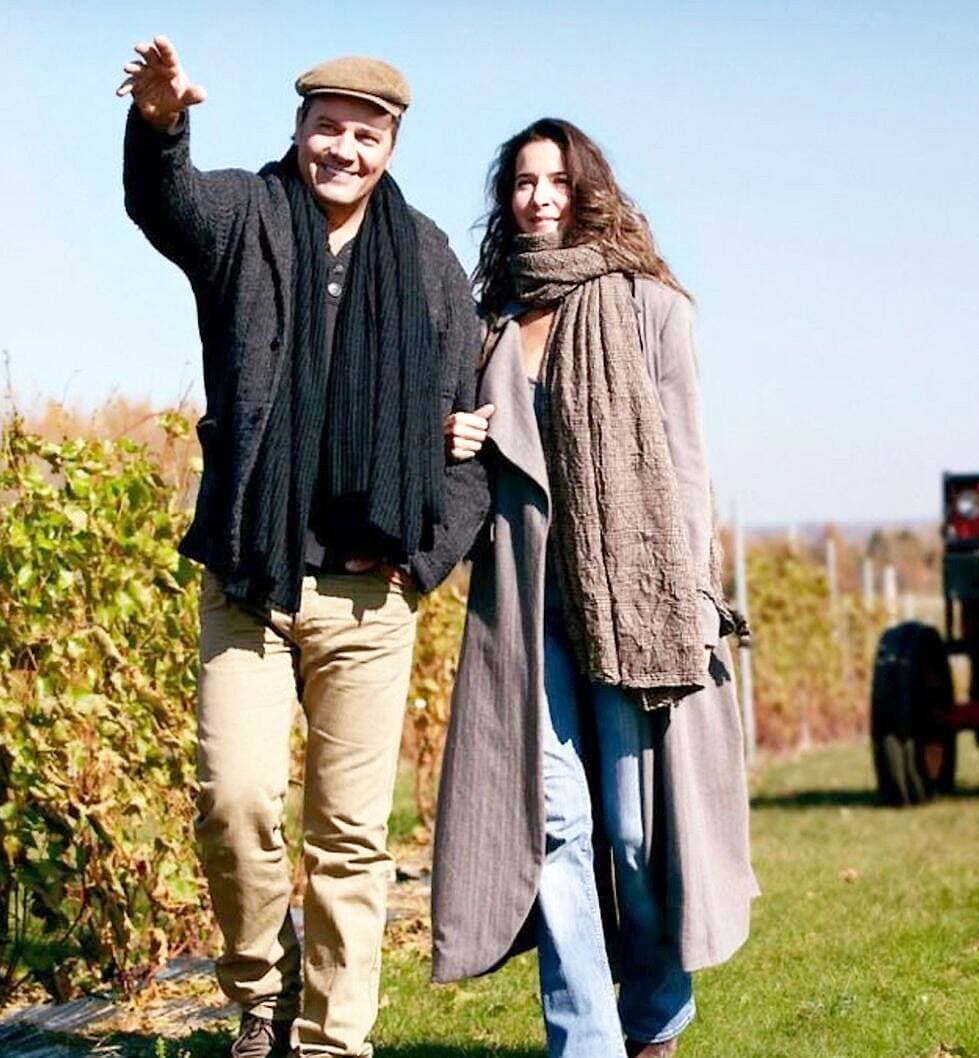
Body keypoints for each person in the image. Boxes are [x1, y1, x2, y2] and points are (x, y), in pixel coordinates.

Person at [118, 37, 488, 1058]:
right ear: (299, 129)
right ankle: (255, 991)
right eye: (328, 127)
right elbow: (164, 202)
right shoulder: (243, 217)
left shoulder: (425, 261)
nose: (343, 149)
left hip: (370, 597)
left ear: (391, 144)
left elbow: (474, 432)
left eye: (365, 135)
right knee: (234, 801)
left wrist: (424, 557)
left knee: (348, 840)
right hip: (253, 574)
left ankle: (333, 1036)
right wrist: (159, 124)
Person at [431, 118, 758, 1058]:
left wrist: (692, 595)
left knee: (634, 832)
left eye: (554, 180)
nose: (536, 197)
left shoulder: (653, 309)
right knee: (556, 828)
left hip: (637, 603)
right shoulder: (490, 321)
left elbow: (688, 466)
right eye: (522, 182)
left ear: (587, 190)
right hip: (528, 613)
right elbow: (473, 449)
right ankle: (587, 1041)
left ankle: (655, 1015)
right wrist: (456, 441)